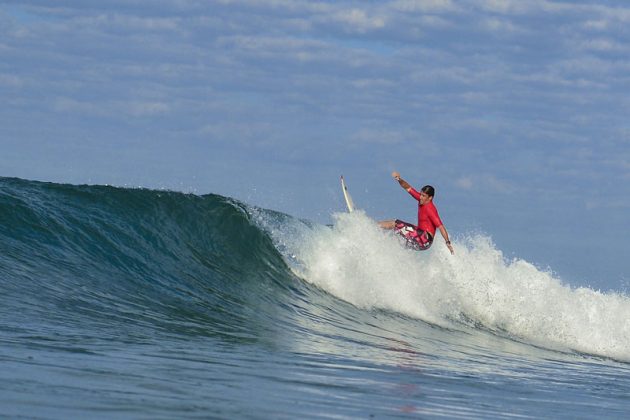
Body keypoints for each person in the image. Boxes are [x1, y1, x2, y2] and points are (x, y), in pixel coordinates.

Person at [379, 171, 454, 254]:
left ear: (430, 198)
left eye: (423, 196)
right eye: (421, 194)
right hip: (421, 241)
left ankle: (371, 226)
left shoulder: (430, 209)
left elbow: (441, 227)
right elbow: (407, 187)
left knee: (395, 224)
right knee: (398, 239)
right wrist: (399, 179)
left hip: (425, 238)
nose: (420, 197)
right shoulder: (421, 199)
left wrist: (447, 242)